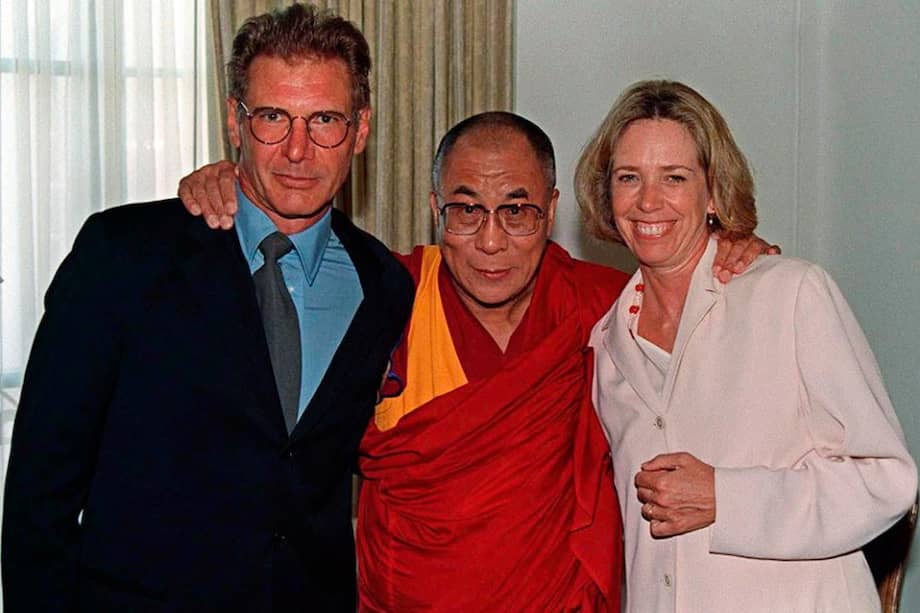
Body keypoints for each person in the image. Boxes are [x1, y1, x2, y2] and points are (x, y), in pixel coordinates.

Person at [179, 108, 776, 609]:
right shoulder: (383, 294)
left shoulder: (604, 303)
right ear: (436, 207)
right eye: (466, 211)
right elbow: (261, 315)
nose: (492, 241)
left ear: (552, 208)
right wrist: (229, 192)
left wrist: (734, 251)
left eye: (517, 211)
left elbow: (699, 304)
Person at [1, 4, 414, 612]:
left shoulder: (384, 285)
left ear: (361, 128)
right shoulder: (123, 256)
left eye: (324, 119)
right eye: (273, 117)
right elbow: (42, 488)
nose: (297, 150)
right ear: (234, 121)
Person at [576, 79, 918, 613]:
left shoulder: (791, 293)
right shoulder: (605, 345)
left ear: (712, 192)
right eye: (628, 178)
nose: (647, 201)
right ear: (606, 193)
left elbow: (887, 481)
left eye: (674, 177)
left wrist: (726, 497)